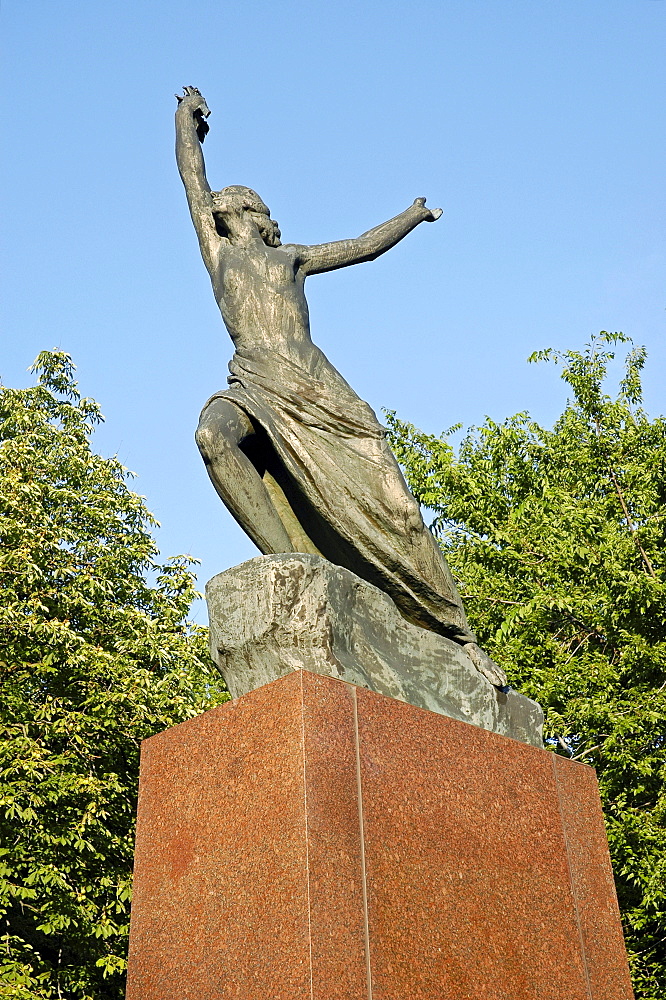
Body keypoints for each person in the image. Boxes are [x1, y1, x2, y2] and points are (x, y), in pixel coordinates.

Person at [175, 86, 507, 689]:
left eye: (232, 202)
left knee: (399, 513)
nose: (219, 206)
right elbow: (192, 183)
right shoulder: (218, 256)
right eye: (218, 205)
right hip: (254, 383)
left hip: (319, 393)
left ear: (253, 214)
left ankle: (457, 632)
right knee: (212, 435)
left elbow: (360, 248)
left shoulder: (292, 259)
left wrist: (410, 216)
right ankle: (289, 561)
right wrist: (184, 124)